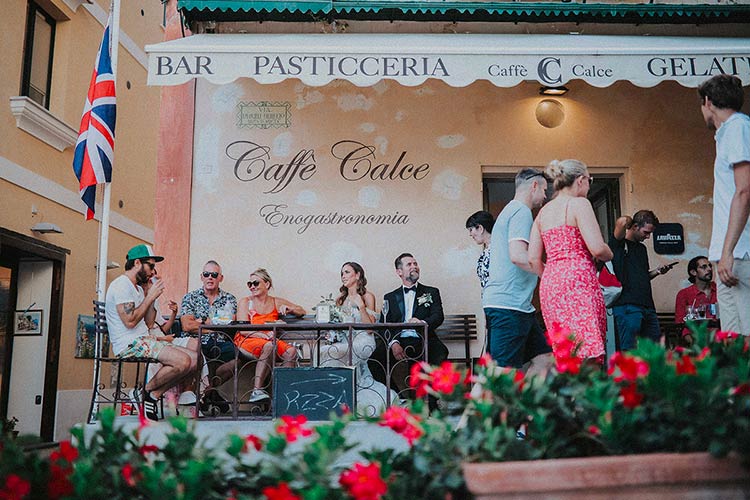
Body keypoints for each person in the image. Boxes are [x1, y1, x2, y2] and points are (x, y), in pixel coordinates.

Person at [529, 159, 614, 363]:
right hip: (579, 280)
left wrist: (553, 274)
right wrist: (610, 253)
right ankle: (587, 395)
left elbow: (533, 259)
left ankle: (567, 394)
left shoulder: (543, 212)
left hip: (551, 283)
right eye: (589, 180)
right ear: (580, 180)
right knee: (588, 349)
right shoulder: (579, 204)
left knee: (565, 351)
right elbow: (597, 248)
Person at [105, 244, 198, 420]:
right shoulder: (121, 285)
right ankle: (147, 393)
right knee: (183, 361)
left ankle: (150, 395)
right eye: (151, 266)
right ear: (138, 263)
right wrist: (149, 297)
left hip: (144, 338)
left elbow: (148, 322)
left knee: (194, 359)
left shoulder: (138, 288)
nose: (153, 271)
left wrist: (150, 295)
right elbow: (130, 321)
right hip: (130, 343)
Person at [483, 169, 552, 371]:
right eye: (544, 190)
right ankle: (478, 404)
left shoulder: (509, 210)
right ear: (534, 186)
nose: (545, 197)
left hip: (519, 306)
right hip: (509, 305)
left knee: (544, 359)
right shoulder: (521, 212)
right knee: (501, 372)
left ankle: (528, 403)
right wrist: (550, 272)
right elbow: (518, 256)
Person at [698, 74, 750, 336]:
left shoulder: (738, 127)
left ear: (708, 102)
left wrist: (728, 251)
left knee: (744, 335)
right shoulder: (727, 132)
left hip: (740, 252)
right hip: (729, 254)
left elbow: (744, 190)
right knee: (733, 337)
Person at [319, 262, 399, 416]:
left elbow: (369, 329)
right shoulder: (339, 300)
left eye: (347, 272)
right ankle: (332, 399)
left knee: (343, 352)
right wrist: (332, 334)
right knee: (325, 350)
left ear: (357, 275)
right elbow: (337, 327)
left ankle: (352, 401)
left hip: (363, 340)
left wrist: (361, 307)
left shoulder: (368, 296)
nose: (343, 276)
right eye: (342, 273)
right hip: (344, 341)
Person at [369, 253, 448, 404]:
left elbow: (438, 316)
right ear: (399, 272)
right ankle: (399, 398)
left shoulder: (431, 292)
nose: (414, 267)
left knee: (440, 352)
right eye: (409, 264)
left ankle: (430, 403)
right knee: (374, 360)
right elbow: (384, 324)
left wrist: (422, 322)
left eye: (415, 263)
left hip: (423, 337)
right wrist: (393, 343)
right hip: (399, 340)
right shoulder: (390, 297)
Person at [235, 268, 306, 403]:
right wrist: (263, 333)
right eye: (249, 284)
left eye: (256, 283)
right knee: (269, 346)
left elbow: (301, 310)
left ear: (267, 284)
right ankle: (257, 390)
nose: (252, 287)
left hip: (269, 339)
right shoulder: (245, 302)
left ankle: (284, 394)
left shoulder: (275, 301)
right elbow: (243, 330)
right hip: (248, 339)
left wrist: (290, 309)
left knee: (291, 351)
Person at [609, 210, 674, 351]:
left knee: (654, 350)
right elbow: (621, 222)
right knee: (629, 350)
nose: (648, 236)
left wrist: (657, 272)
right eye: (645, 232)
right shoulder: (618, 244)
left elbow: (643, 276)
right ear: (634, 227)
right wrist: (630, 220)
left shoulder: (642, 249)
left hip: (647, 306)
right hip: (627, 305)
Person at [179, 260, 237, 408]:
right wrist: (214, 324)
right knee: (194, 353)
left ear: (220, 278)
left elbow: (229, 323)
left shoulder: (229, 299)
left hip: (221, 341)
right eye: (206, 274)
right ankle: (205, 396)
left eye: (214, 274)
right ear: (201, 277)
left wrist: (201, 321)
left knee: (238, 357)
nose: (210, 277)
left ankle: (207, 390)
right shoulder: (190, 297)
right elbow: (187, 326)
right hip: (195, 340)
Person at [674, 256, 717, 345]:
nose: (709, 269)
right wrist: (695, 344)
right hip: (695, 340)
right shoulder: (684, 294)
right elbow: (681, 324)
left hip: (719, 340)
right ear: (693, 272)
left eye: (710, 266)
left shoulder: (720, 290)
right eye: (704, 267)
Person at [465, 211, 495, 293]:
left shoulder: (498, 249)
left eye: (471, 230)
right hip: (490, 299)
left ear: (480, 228)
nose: (470, 234)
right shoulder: (487, 251)